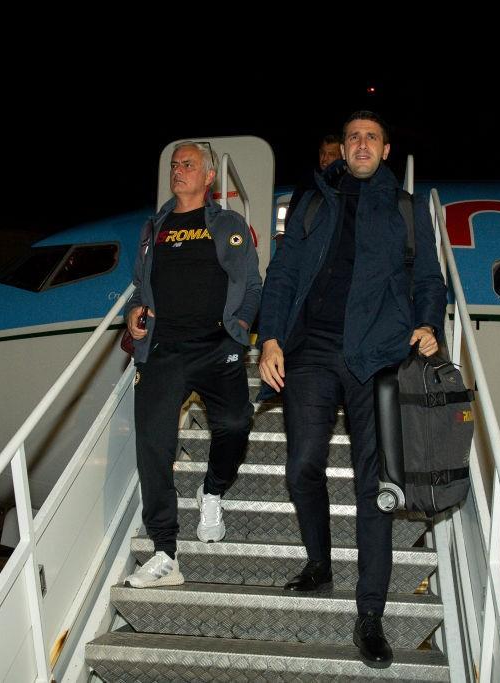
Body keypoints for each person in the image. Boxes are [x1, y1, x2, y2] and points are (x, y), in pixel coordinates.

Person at [257, 112, 446, 668]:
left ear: (386, 150)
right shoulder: (313, 199)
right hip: (311, 348)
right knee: (300, 467)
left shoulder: (407, 209)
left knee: (375, 487)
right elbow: (284, 273)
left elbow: (428, 280)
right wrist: (270, 339)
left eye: (371, 138)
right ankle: (319, 563)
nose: (361, 145)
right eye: (353, 137)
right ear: (342, 148)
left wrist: (429, 324)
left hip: (379, 356)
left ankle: (370, 616)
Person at [124, 141, 262, 588]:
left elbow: (253, 284)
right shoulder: (153, 228)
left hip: (215, 346)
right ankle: (165, 551)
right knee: (153, 446)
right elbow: (141, 287)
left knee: (237, 424)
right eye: (174, 164)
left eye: (188, 165)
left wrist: (239, 326)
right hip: (163, 351)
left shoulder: (228, 224)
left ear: (208, 177)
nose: (178, 170)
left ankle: (213, 490)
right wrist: (135, 310)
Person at [280, 134, 343, 233]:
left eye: (331, 154)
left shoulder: (348, 184)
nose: (324, 159)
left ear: (342, 155)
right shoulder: (308, 181)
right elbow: (292, 217)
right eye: (322, 153)